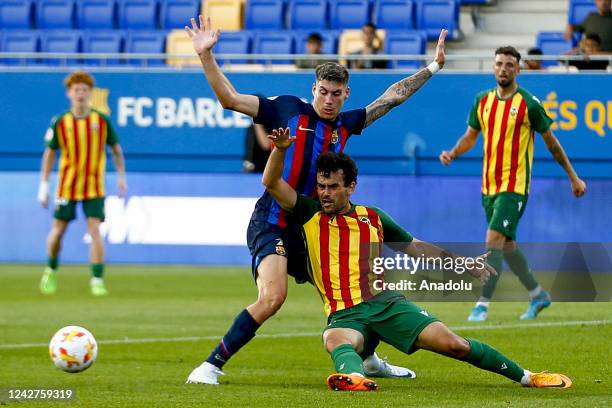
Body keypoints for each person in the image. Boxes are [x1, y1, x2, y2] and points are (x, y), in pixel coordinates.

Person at [184, 15, 447, 384]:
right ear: (314, 89)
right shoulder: (288, 110)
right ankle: (210, 365)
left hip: (313, 228)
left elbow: (392, 97)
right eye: (323, 91)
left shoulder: (347, 123)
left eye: (336, 94)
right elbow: (229, 99)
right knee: (273, 297)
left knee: (355, 291)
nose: (328, 99)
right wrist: (206, 55)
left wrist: (433, 67)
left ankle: (369, 359)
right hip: (274, 220)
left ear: (346, 95)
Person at [263, 129, 573, 391]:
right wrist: (279, 150)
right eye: (321, 186)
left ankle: (528, 377)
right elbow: (272, 182)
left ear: (351, 187)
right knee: (334, 339)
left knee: (455, 345)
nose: (325, 193)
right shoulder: (310, 214)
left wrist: (463, 264)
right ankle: (355, 378)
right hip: (345, 315)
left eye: (333, 187)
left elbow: (416, 248)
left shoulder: (373, 218)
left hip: (385, 306)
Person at [439, 46, 587, 322]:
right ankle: (538, 294)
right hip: (489, 187)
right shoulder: (482, 101)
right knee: (506, 246)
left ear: (518, 69)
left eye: (509, 64)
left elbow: (552, 143)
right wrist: (453, 152)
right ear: (493, 67)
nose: (503, 68)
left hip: (514, 186)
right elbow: (471, 136)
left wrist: (573, 176)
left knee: (492, 240)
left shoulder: (529, 104)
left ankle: (482, 304)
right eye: (499, 63)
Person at [38, 71, 127, 296]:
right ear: (69, 93)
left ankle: (97, 279)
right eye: (76, 90)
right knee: (58, 231)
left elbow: (116, 150)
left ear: (90, 93)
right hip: (66, 186)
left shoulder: (101, 120)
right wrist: (43, 185)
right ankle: (50, 269)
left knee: (95, 230)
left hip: (94, 186)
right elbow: (49, 154)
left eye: (84, 90)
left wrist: (121, 177)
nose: (80, 94)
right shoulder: (60, 121)